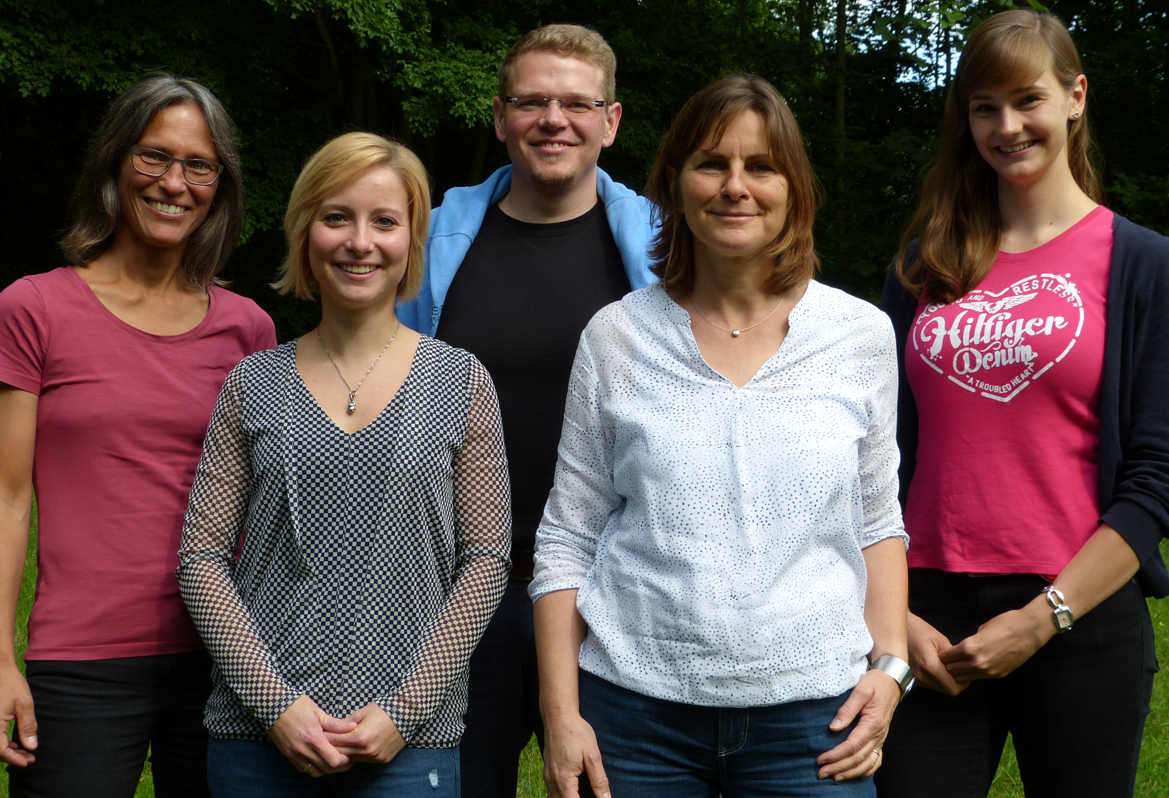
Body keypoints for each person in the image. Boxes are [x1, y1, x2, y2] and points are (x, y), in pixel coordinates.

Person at [530, 74, 911, 798]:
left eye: (760, 167)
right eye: (712, 164)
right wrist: (560, 714)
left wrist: (890, 669)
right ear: (673, 184)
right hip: (635, 722)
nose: (735, 186)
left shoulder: (858, 335)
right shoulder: (617, 337)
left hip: (814, 723)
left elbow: (876, 518)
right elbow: (568, 537)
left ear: (793, 187)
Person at [874, 10, 1168, 798]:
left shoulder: (1142, 265)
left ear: (1074, 97)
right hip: (926, 615)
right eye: (982, 108)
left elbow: (1155, 479)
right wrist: (893, 616)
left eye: (1026, 100)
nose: (1006, 127)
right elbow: (871, 455)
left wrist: (1043, 618)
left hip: (1080, 616)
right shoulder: (922, 265)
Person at [178, 131, 511, 797]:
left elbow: (485, 561)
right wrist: (276, 706)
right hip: (259, 742)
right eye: (337, 218)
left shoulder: (461, 381)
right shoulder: (253, 383)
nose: (360, 242)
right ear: (305, 233)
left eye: (384, 221)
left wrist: (405, 711)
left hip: (407, 750)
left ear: (411, 241)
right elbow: (202, 559)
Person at [396, 23, 657, 798]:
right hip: (458, 592)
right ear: (499, 115)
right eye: (532, 101)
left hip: (611, 593)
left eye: (577, 104)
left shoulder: (666, 246)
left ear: (610, 122)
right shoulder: (427, 239)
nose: (554, 120)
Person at [0, 75, 275, 797]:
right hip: (80, 660)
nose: (173, 183)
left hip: (221, 660)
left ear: (220, 184)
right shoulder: (34, 308)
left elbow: (266, 506)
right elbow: (8, 497)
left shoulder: (249, 329)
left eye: (199, 165)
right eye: (154, 157)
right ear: (116, 163)